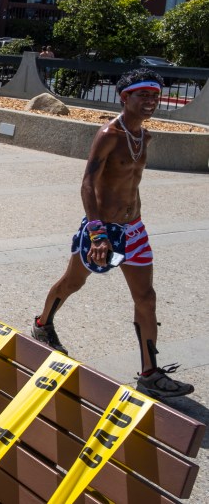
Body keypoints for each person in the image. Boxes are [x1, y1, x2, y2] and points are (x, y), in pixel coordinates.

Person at [31, 68, 193, 399]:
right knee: (72, 283)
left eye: (154, 96)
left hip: (134, 230)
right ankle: (42, 324)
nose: (150, 102)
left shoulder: (144, 136)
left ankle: (150, 373)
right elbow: (88, 182)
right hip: (101, 230)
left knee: (146, 298)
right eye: (143, 96)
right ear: (125, 98)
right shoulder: (108, 135)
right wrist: (97, 232)